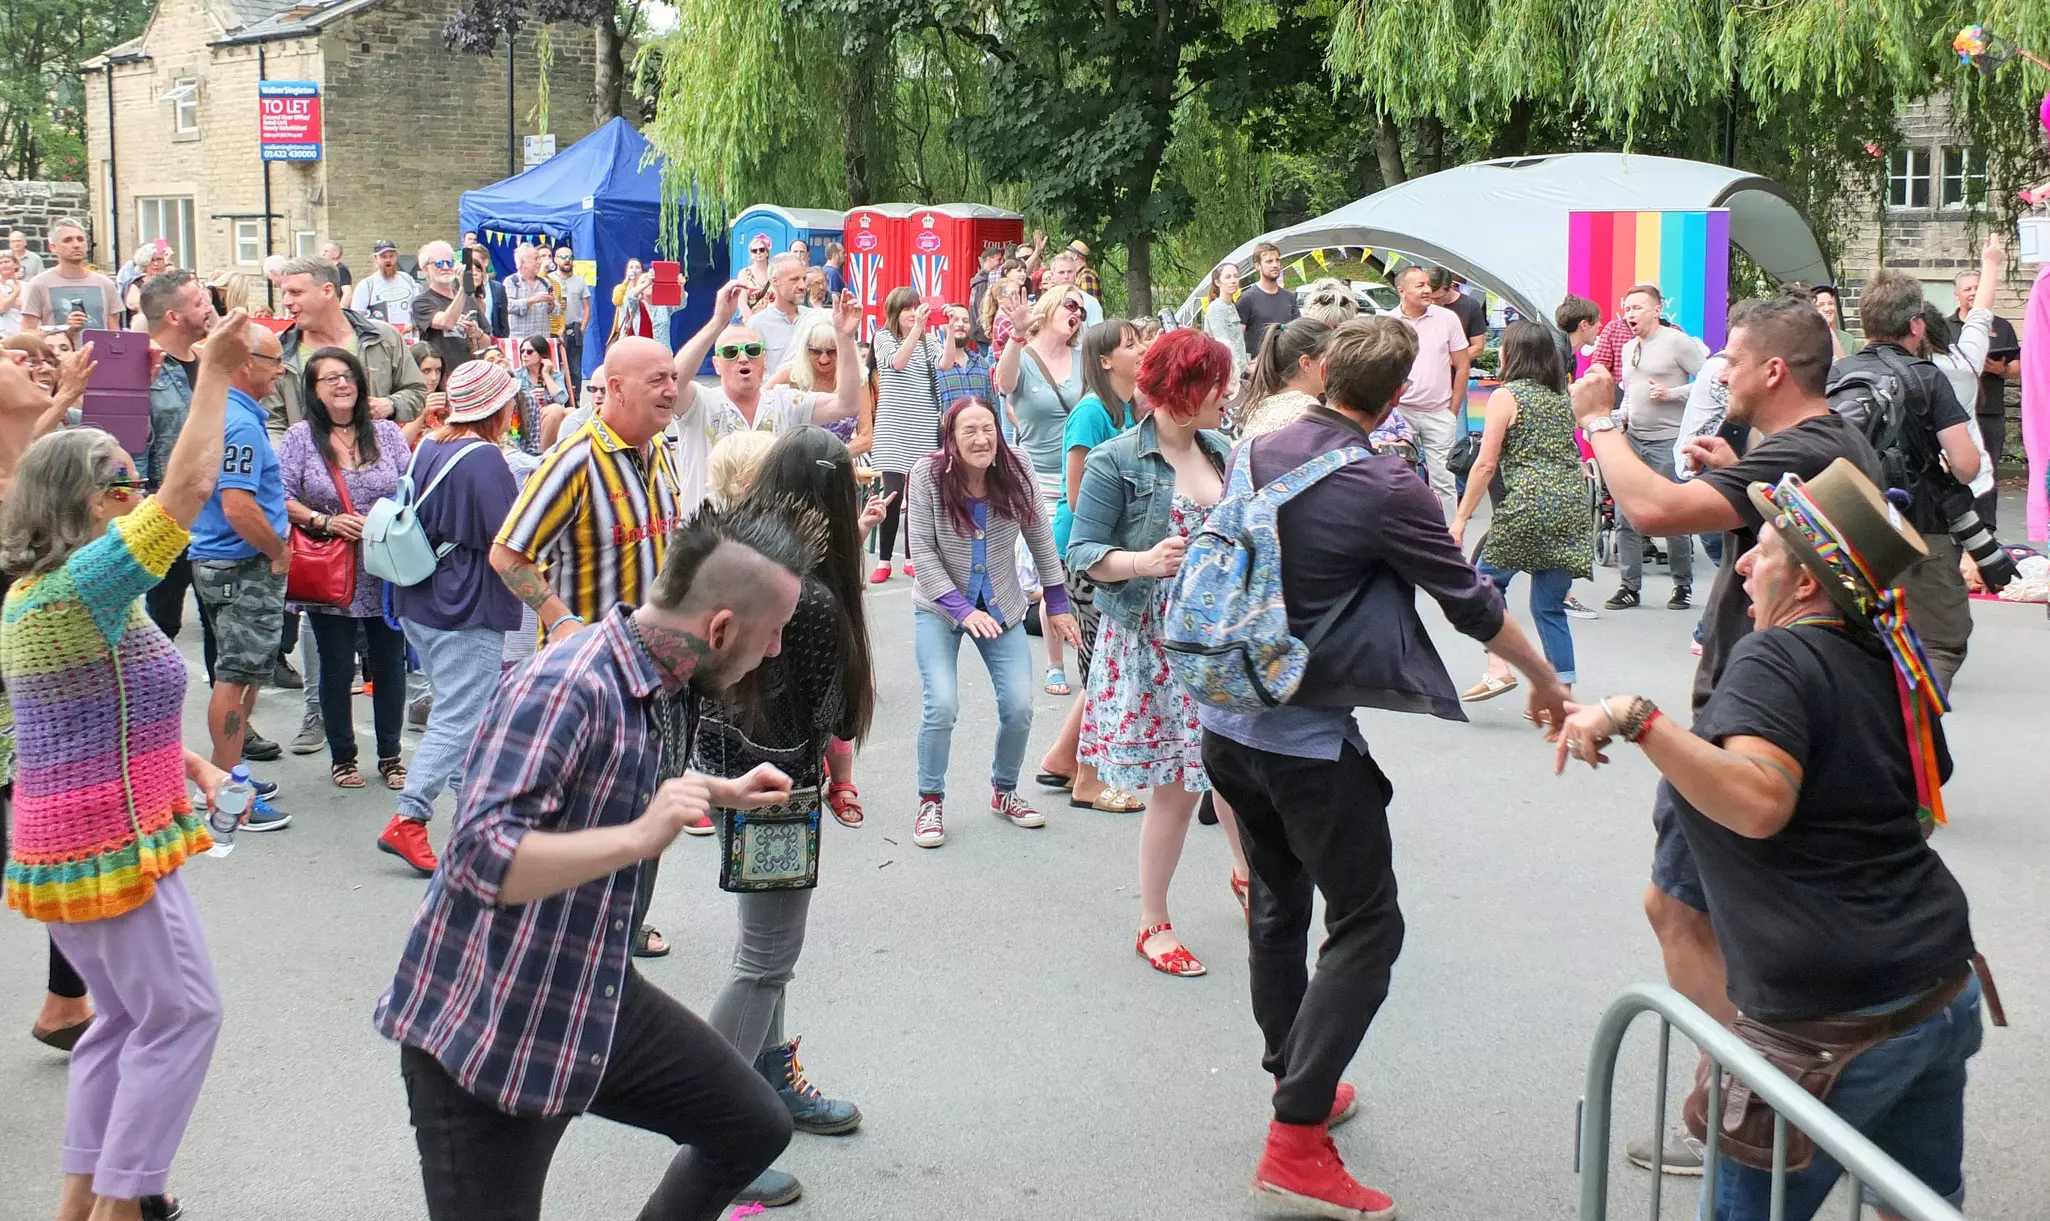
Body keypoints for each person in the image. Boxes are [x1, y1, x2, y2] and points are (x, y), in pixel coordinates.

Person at [1195, 315, 1566, 1219]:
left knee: (1280, 904)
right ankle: (1295, 1133)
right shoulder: (1383, 483)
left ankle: (1299, 1074)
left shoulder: (1259, 446)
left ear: (1321, 379)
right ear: (1399, 395)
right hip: (1304, 742)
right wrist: (1547, 678)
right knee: (1370, 924)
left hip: (1223, 716)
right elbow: (1470, 604)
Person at [1553, 459, 1981, 1221]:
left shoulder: (1775, 655)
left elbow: (1757, 801)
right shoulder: (1889, 658)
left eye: (1766, 548)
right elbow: (1923, 794)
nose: (1745, 561)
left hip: (1832, 1027)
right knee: (1915, 1206)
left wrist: (1635, 715)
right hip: (1941, 983)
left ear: (1808, 583)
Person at [375, 506, 814, 1221]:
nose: (774, 652)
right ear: (721, 628)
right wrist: (640, 836)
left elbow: (599, 786)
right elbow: (482, 859)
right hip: (485, 1035)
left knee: (753, 1126)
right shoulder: (567, 686)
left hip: (590, 992)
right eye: (772, 634)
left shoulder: (660, 679)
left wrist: (718, 789)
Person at [1566, 293, 1894, 1175]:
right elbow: (1773, 513)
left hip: (1762, 706)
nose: (1721, 373)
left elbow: (1657, 512)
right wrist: (1739, 465)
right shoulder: (1814, 446)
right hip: (1782, 700)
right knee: (1711, 907)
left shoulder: (1805, 447)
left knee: (1678, 904)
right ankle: (1791, 1086)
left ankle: (1745, 1099)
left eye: (1734, 363)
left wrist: (1600, 424)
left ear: (1774, 371)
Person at [0, 311, 255, 1221]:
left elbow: (82, 712)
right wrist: (216, 373)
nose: (132, 476)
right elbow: (188, 490)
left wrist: (189, 761)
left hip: (75, 838)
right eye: (115, 469)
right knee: (185, 1014)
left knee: (121, 1022)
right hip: (104, 845)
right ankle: (120, 1206)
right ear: (79, 497)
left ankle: (79, 1204)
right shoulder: (84, 583)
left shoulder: (52, 590)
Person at [694, 428, 884, 1205]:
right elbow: (832, 704)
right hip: (777, 785)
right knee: (765, 960)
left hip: (745, 770)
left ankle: (769, 1086)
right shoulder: (807, 592)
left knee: (763, 951)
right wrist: (837, 770)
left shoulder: (753, 555)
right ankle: (718, 1126)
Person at [494, 335, 693, 958]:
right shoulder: (575, 459)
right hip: (593, 679)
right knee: (594, 809)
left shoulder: (658, 450)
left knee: (657, 799)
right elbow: (509, 553)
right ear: (615, 389)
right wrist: (559, 619)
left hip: (661, 670)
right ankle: (573, 932)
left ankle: (625, 922)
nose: (671, 389)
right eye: (657, 380)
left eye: (673, 378)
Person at [1066, 329, 1256, 977]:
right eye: (1216, 385)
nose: (1225, 396)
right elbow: (1084, 552)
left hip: (1218, 640)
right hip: (1152, 641)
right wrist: (1142, 561)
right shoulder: (1118, 458)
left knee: (1232, 771)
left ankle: (1245, 874)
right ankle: (1152, 920)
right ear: (1183, 390)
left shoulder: (1226, 450)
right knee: (1177, 787)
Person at [908, 397, 1079, 847]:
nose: (982, 438)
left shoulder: (1015, 464)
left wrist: (1058, 603)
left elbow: (1040, 534)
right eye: (970, 430)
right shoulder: (926, 475)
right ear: (951, 438)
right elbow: (921, 552)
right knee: (941, 704)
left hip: (1001, 602)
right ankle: (931, 800)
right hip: (941, 606)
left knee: (1020, 707)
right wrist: (964, 611)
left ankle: (1004, 792)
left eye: (989, 428)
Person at [377, 361, 524, 875]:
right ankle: (410, 817)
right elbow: (510, 535)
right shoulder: (485, 458)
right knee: (460, 713)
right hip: (465, 602)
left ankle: (473, 815)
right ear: (497, 409)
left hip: (422, 594)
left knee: (461, 708)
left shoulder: (430, 444)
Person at [1828, 270, 1979, 689]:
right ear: (1916, 325)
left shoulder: (1837, 374)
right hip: (1920, 527)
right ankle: (1911, 729)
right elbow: (1967, 465)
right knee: (1940, 643)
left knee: (1853, 638)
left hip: (1850, 524)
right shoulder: (1928, 378)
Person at [278, 348, 412, 791]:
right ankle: (343, 755)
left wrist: (390, 518)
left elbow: (411, 488)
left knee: (389, 664)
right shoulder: (301, 437)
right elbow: (280, 497)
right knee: (335, 668)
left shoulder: (387, 434)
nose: (342, 384)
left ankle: (391, 755)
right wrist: (325, 521)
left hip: (385, 566)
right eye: (330, 378)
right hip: (329, 569)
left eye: (349, 376)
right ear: (313, 390)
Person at [1035, 318, 1147, 816]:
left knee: (1107, 659)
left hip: (1111, 552)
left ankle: (1062, 758)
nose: (1140, 350)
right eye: (1130, 345)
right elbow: (1078, 495)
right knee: (1104, 665)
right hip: (1085, 552)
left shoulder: (1124, 407)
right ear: (1105, 361)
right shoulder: (1089, 413)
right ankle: (1087, 781)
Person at [186, 322, 295, 831]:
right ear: (246, 363)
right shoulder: (243, 425)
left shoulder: (222, 412)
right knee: (235, 678)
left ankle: (226, 775)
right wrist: (278, 551)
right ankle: (231, 796)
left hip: (220, 560)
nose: (280, 371)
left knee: (243, 674)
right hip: (241, 563)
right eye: (274, 362)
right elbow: (237, 505)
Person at [1449, 321, 1593, 700]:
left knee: (1485, 586)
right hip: (1571, 504)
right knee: (1549, 607)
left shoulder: (1506, 396)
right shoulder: (1563, 398)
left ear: (1512, 354)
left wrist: (1461, 518)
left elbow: (1484, 464)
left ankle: (1499, 668)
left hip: (1528, 504)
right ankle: (1561, 692)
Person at [668, 284, 864, 514]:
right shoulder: (699, 403)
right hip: (707, 536)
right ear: (716, 365)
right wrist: (718, 321)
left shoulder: (785, 402)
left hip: (769, 536)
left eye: (752, 350)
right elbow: (672, 383)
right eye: (731, 352)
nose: (743, 358)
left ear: (764, 360)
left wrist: (845, 338)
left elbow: (846, 403)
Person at [136, 271, 228, 686]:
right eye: (197, 301)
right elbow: (130, 448)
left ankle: (234, 736)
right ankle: (150, 727)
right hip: (168, 514)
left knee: (220, 624)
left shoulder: (211, 360)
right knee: (161, 623)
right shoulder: (144, 368)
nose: (208, 304)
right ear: (173, 316)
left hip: (218, 510)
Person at [992, 283, 1086, 686]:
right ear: (1049, 309)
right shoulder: (1025, 357)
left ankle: (1087, 648)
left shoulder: (1085, 359)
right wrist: (1015, 333)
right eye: (1070, 304)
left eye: (1082, 308)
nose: (1077, 312)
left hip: (1081, 475)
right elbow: (1003, 383)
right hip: (1037, 480)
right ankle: (1054, 663)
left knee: (1079, 566)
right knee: (1052, 571)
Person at [1606, 283, 1704, 611]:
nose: (1629, 315)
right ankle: (1629, 586)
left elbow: (1710, 384)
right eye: (1627, 308)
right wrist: (1623, 419)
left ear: (1656, 310)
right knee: (1624, 514)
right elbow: (1631, 390)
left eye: (1637, 308)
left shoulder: (1677, 341)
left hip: (1667, 441)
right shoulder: (1628, 348)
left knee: (1671, 516)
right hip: (1632, 439)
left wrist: (1672, 394)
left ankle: (1682, 586)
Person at [265, 255, 426, 438]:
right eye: (284, 292)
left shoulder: (383, 337)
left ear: (327, 291)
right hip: (306, 464)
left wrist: (391, 405)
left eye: (295, 292)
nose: (286, 301)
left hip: (375, 460)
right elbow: (272, 423)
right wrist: (290, 461)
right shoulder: (279, 350)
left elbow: (417, 392)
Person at [864, 288, 945, 583]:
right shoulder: (883, 338)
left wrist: (951, 331)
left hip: (923, 427)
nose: (913, 314)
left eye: (916, 307)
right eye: (906, 309)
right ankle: (884, 560)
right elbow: (896, 362)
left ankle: (912, 557)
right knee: (893, 494)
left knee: (918, 495)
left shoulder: (931, 341)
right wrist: (918, 331)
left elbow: (944, 365)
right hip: (893, 428)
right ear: (895, 314)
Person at [1389, 265, 1471, 516]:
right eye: (1420, 286)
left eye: (1428, 285)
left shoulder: (1447, 319)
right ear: (1402, 291)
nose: (1428, 290)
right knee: (1397, 478)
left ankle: (1448, 541)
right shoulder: (1389, 322)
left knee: (1444, 482)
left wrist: (1452, 412)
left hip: (1439, 413)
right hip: (1401, 412)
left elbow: (1463, 366)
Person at [1948, 258, 2019, 527]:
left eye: (1978, 287)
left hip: (1990, 411)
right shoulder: (1944, 326)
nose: (1973, 293)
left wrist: (1999, 369)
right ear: (1957, 294)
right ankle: (1957, 524)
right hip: (1954, 414)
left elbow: (2018, 367)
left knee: (1988, 472)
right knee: (1955, 471)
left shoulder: (2002, 326)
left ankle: (1987, 528)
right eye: (1967, 289)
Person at [766, 310, 864, 444]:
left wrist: (837, 455)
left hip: (841, 460)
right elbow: (759, 406)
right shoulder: (789, 378)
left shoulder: (857, 380)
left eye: (832, 351)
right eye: (815, 351)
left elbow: (866, 436)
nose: (824, 359)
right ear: (805, 349)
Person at [20, 219, 118, 333]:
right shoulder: (39, 284)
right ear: (53, 247)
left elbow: (115, 332)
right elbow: (27, 332)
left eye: (80, 239)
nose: (76, 245)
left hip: (99, 349)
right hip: (57, 350)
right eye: (68, 240)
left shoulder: (106, 284)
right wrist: (65, 328)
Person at [410, 241, 487, 376]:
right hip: (443, 378)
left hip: (471, 375)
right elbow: (447, 322)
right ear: (425, 269)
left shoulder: (469, 300)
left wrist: (478, 334)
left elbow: (488, 342)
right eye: (439, 264)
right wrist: (464, 288)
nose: (445, 267)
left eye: (449, 263)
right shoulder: (422, 302)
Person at [749, 253, 816, 374]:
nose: (803, 286)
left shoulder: (814, 318)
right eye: (794, 279)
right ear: (775, 281)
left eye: (804, 279)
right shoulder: (757, 325)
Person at [1236, 242, 1299, 357]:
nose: (1275, 264)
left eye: (1277, 260)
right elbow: (1236, 339)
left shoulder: (1289, 297)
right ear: (1257, 266)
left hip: (1285, 365)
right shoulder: (1246, 299)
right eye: (1269, 261)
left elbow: (1298, 332)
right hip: (1257, 368)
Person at [514, 334, 565, 453]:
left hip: (547, 417)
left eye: (530, 351)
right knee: (556, 409)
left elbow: (562, 399)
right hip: (527, 418)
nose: (524, 355)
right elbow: (513, 403)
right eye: (522, 351)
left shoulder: (554, 375)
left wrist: (546, 374)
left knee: (570, 412)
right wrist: (529, 397)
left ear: (542, 355)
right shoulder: (517, 375)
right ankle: (540, 455)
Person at [349, 239, 417, 326]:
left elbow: (418, 306)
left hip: (407, 336)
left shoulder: (407, 279)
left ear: (396, 257)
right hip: (382, 337)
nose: (388, 260)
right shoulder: (367, 285)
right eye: (383, 257)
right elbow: (357, 317)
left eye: (391, 256)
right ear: (375, 259)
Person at [553, 246, 591, 400]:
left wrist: (582, 327)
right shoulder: (549, 280)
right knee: (556, 367)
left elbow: (587, 307)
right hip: (555, 330)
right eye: (563, 257)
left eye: (569, 257)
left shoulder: (580, 281)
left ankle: (575, 400)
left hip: (574, 330)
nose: (567, 260)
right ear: (555, 259)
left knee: (575, 369)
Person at [503, 242, 558, 343]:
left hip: (542, 341)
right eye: (536, 259)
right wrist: (533, 300)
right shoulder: (511, 281)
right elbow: (508, 306)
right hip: (520, 342)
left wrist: (552, 304)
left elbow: (557, 312)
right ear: (523, 262)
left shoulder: (545, 282)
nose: (540, 262)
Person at [1429, 268, 1488, 360]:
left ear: (1451, 287)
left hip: (1459, 369)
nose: (1432, 302)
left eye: (1438, 298)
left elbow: (1478, 348)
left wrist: (1446, 361)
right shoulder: (1422, 304)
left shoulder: (1470, 305)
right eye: (1429, 297)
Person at [1202, 262, 1247, 380]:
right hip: (1227, 374)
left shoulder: (1231, 305)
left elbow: (1237, 342)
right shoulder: (1216, 308)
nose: (1233, 280)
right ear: (1217, 282)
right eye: (1228, 277)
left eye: (1236, 276)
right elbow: (1223, 344)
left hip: (1239, 372)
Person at [1043, 249, 1103, 325]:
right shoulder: (1045, 302)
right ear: (1052, 275)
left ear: (1075, 273)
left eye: (1070, 272)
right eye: (1061, 272)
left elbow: (1098, 334)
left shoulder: (1090, 302)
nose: (1066, 276)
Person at [464, 243, 508, 338]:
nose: (471, 264)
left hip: (491, 340)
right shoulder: (461, 286)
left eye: (475, 260)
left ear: (485, 262)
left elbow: (503, 323)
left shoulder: (498, 288)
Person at [1554, 293, 1602, 375]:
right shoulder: (1554, 355)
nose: (1600, 325)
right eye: (1597, 320)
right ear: (1584, 325)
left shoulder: (1569, 357)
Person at [1812, 283, 1860, 360]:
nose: (1827, 309)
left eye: (1830, 303)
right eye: (1821, 305)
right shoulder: (1804, 338)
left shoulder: (1848, 340)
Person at [739, 234, 774, 307]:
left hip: (773, 317)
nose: (758, 252)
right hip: (751, 316)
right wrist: (750, 318)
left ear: (767, 253)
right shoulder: (744, 274)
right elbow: (741, 302)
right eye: (754, 251)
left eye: (761, 250)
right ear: (751, 255)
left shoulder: (775, 272)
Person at [0, 251, 22, 338]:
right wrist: (16, 291)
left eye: (6, 262)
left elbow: (29, 308)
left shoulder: (27, 286)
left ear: (16, 264)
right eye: (0, 263)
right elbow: (2, 307)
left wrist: (8, 301)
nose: (3, 265)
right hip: (2, 335)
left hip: (22, 333)